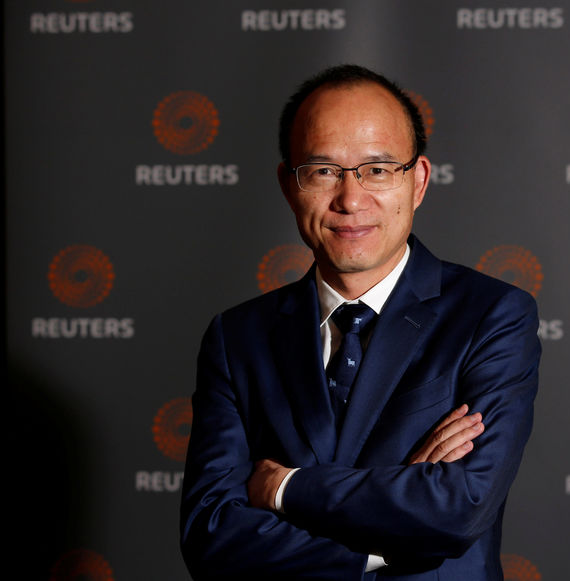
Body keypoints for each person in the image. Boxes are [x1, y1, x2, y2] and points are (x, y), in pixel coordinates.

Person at [180, 64, 541, 580]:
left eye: (378, 169)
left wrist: (282, 489)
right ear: (289, 184)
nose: (351, 199)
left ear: (417, 181)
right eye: (323, 171)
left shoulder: (492, 315)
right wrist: (389, 541)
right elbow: (210, 534)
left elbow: (458, 509)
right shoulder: (237, 337)